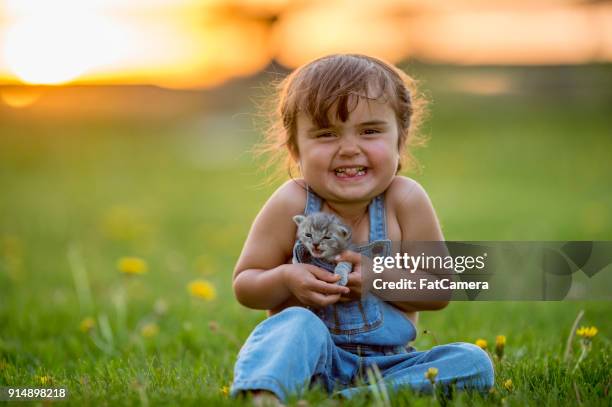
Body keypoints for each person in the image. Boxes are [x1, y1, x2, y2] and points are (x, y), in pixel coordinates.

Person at [230, 54, 494, 404]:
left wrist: (378, 278)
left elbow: (439, 289)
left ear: (401, 137)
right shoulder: (292, 202)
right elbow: (246, 283)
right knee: (296, 323)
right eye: (326, 134)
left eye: (370, 131)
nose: (349, 149)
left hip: (390, 363)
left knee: (473, 362)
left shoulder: (406, 200)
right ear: (296, 148)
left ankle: (355, 397)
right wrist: (284, 280)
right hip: (313, 363)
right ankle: (264, 393)